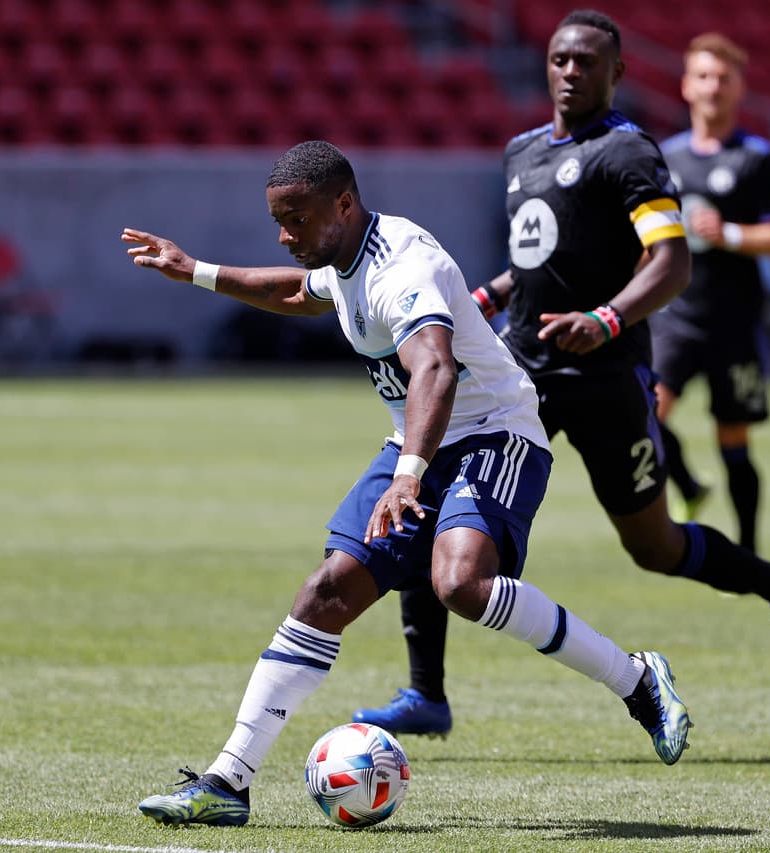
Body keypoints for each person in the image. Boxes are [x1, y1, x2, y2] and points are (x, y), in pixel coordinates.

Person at [121, 140, 691, 828]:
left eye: (296, 219)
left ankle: (636, 681)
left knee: (460, 585)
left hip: (495, 433)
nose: (285, 234)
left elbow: (437, 372)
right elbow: (303, 292)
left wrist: (408, 474)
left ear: (343, 203)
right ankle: (227, 781)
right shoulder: (341, 256)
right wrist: (197, 271)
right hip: (419, 440)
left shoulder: (404, 267)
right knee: (325, 591)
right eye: (279, 220)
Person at [352, 12, 770, 740]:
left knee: (654, 546)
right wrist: (494, 294)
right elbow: (546, 254)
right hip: (521, 374)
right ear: (546, 68)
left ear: (617, 74)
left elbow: (671, 262)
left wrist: (606, 319)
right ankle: (426, 694)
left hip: (607, 377)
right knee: (431, 489)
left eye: (586, 61)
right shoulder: (521, 153)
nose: (571, 71)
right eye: (560, 59)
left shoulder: (629, 152)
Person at [647, 33, 770, 554]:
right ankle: (687, 485)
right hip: (677, 317)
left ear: (739, 88)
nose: (713, 86)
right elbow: (649, 238)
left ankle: (749, 551)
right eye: (703, 76)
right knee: (647, 414)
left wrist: (725, 232)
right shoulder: (666, 159)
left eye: (723, 78)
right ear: (686, 86)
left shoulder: (757, 158)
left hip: (735, 322)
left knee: (734, 439)